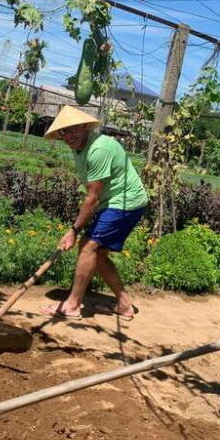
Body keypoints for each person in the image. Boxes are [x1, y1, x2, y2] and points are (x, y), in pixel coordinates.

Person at [40, 105, 148, 321]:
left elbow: (92, 198)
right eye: (64, 132)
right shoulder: (78, 145)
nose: (68, 136)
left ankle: (72, 305)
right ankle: (124, 305)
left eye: (73, 129)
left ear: (85, 127)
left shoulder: (99, 149)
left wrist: (73, 230)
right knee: (96, 254)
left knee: (88, 246)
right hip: (111, 202)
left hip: (126, 202)